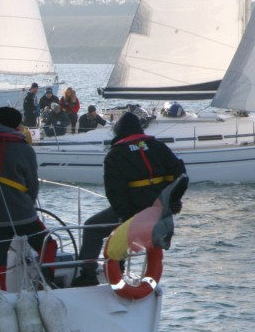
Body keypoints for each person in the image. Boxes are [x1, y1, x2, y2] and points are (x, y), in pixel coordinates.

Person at [72, 111, 187, 287]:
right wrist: (173, 201)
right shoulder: (158, 147)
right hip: (159, 209)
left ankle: (87, 275)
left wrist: (126, 217)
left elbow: (114, 192)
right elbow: (182, 176)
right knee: (119, 229)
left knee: (91, 227)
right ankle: (120, 270)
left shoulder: (115, 155)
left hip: (134, 207)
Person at [0, 107, 55, 289]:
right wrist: (28, 205)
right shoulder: (24, 148)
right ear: (17, 125)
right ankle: (43, 285)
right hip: (21, 213)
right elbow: (32, 185)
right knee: (49, 245)